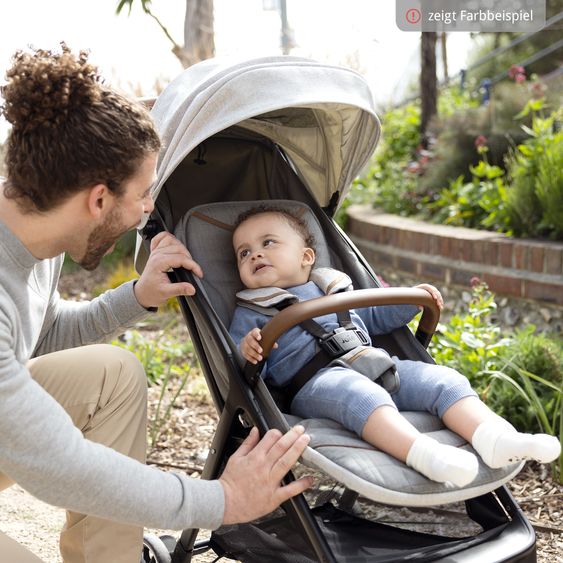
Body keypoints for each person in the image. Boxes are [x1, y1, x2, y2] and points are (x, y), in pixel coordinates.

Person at [0, 45, 312, 563]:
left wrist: (137, 297)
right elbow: (60, 463)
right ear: (98, 199)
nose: (149, 209)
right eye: (144, 194)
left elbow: (40, 335)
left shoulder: (37, 231)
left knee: (111, 374)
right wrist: (223, 500)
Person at [229, 205, 561, 488]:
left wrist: (412, 301)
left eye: (268, 242)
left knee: (442, 379)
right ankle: (424, 454)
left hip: (375, 361)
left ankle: (493, 437)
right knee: (359, 393)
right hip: (316, 383)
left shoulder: (335, 288)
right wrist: (249, 350)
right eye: (244, 253)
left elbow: (373, 319)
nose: (255, 253)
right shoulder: (252, 310)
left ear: (306, 257)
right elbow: (244, 363)